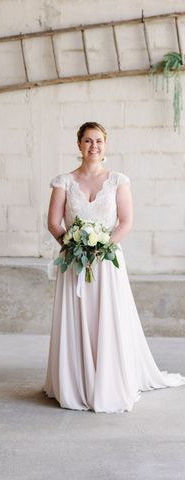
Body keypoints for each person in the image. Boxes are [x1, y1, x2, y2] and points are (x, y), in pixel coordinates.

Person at [44, 121, 185, 413]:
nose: (93, 146)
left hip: (108, 263)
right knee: (79, 318)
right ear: (79, 145)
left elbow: (125, 222)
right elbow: (54, 223)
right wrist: (73, 247)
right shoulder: (63, 182)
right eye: (87, 141)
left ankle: (109, 380)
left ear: (105, 145)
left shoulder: (119, 180)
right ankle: (77, 381)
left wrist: (102, 248)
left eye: (98, 141)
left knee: (108, 318)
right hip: (75, 263)